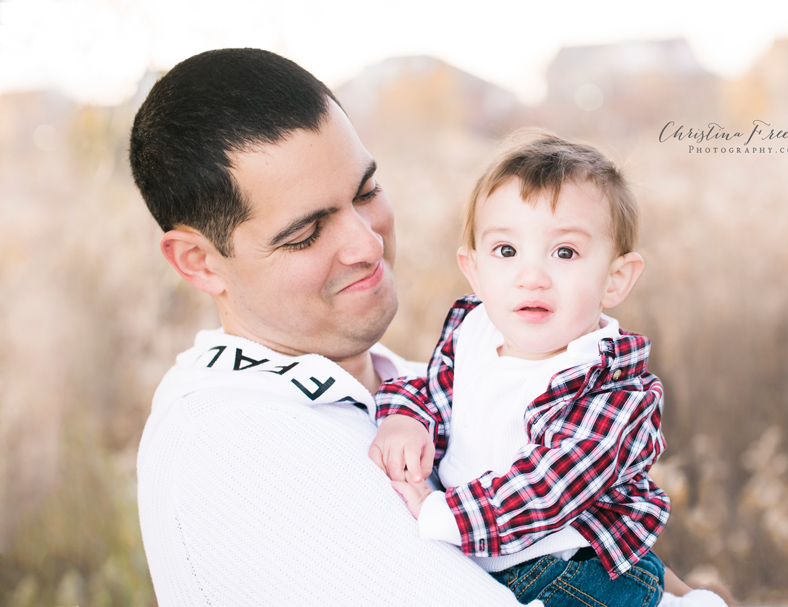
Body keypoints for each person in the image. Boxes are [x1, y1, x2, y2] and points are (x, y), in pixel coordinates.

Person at [128, 47, 542, 606]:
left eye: (366, 192)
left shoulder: (426, 381)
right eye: (305, 233)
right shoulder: (240, 447)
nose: (367, 245)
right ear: (199, 262)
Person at [370, 131, 727, 607]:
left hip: (576, 576)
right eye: (506, 251)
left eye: (564, 253)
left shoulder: (610, 388)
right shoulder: (473, 332)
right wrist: (404, 416)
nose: (531, 276)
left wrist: (449, 516)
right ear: (473, 269)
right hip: (490, 554)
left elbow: (550, 485)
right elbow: (434, 391)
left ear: (615, 279)